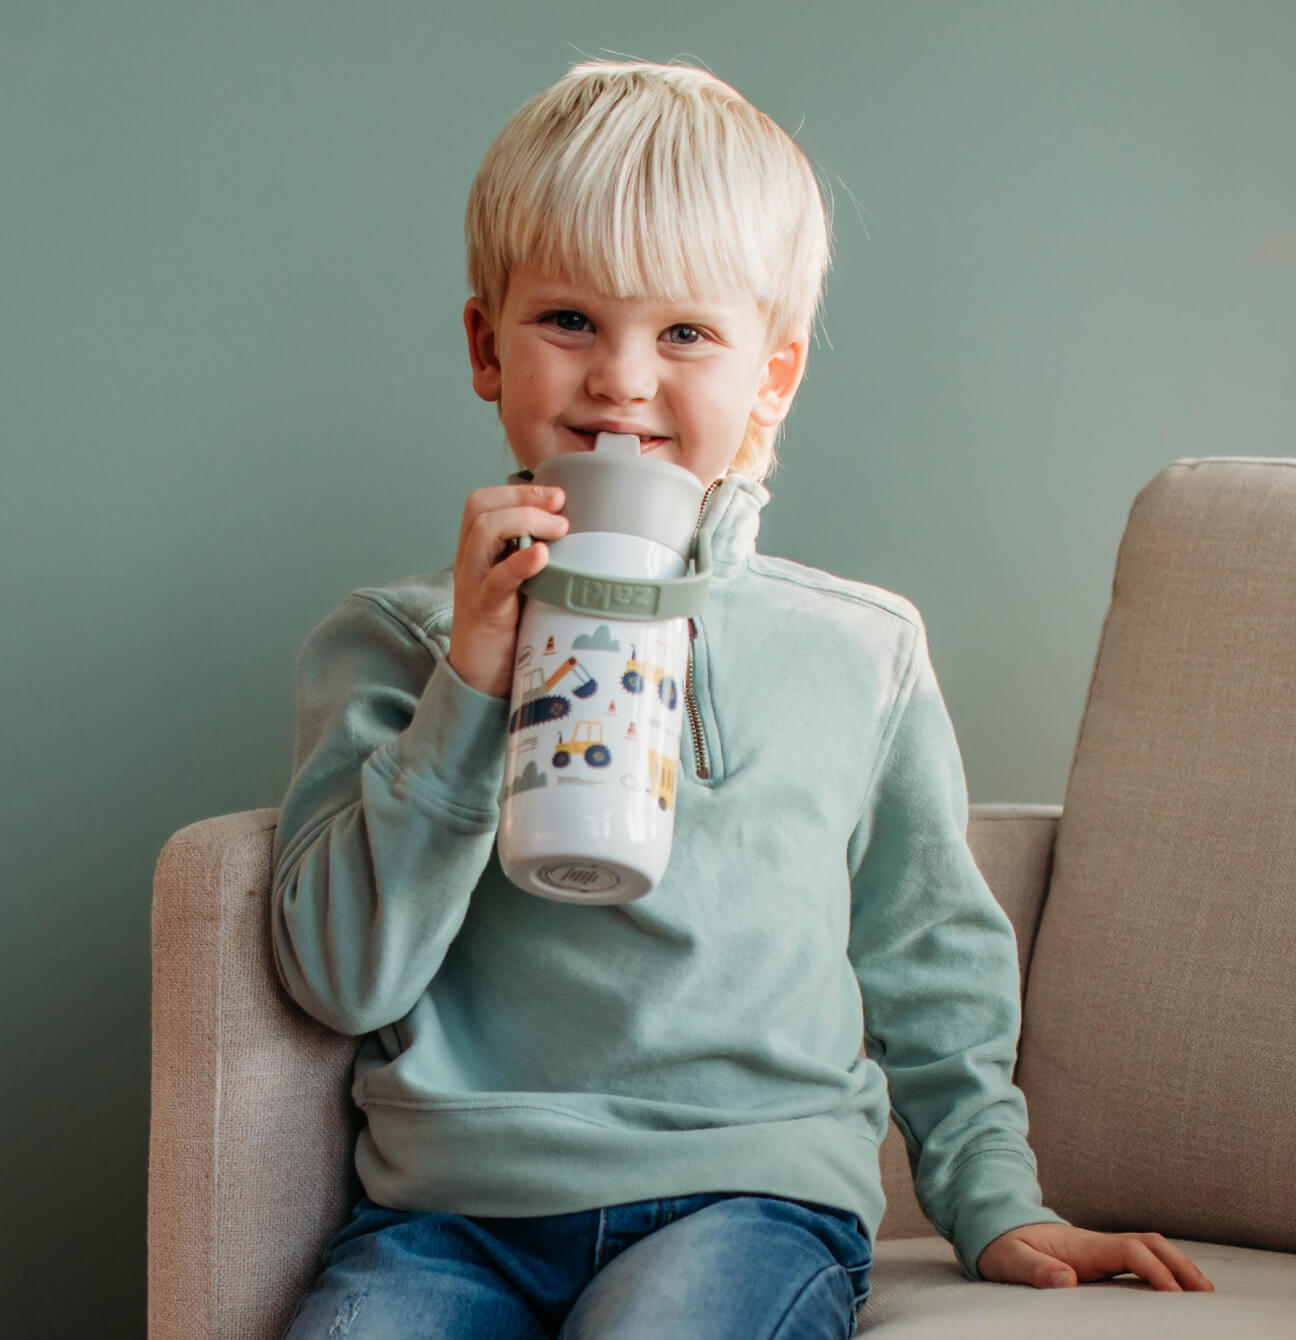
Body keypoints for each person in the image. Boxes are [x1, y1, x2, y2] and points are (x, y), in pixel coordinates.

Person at [269, 59, 1213, 1340]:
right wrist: (472, 681)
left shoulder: (856, 648)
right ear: (488, 347)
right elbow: (336, 975)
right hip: (452, 1212)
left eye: (684, 333)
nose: (620, 380)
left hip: (749, 1194)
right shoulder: (395, 640)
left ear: (770, 375)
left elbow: (927, 954)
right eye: (567, 322)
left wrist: (994, 1198)